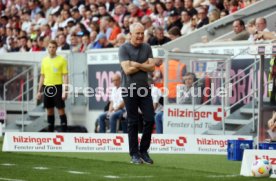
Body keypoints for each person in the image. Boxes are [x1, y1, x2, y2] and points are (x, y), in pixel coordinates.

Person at [119, 22, 155, 164]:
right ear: (131, 35)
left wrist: (137, 64)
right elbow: (127, 70)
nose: (140, 36)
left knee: (150, 119)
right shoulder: (123, 48)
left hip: (144, 89)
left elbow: (152, 67)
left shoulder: (147, 47)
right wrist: (144, 65)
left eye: (142, 33)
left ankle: (143, 151)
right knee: (133, 122)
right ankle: (134, 154)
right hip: (129, 89)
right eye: (137, 33)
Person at [37, 40, 69, 132]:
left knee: (60, 109)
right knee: (49, 110)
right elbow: (42, 76)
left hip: (58, 86)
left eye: (53, 47)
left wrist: (65, 91)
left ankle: (64, 133)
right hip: (47, 87)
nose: (51, 49)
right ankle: (50, 132)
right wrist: (39, 91)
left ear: (56, 48)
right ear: (48, 48)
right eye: (50, 47)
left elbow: (65, 76)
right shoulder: (44, 60)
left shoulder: (62, 60)